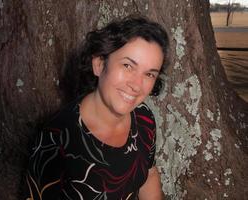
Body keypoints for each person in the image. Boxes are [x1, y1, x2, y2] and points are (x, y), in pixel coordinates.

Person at [26, 15, 169, 200]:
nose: (137, 84)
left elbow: (149, 174)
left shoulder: (144, 118)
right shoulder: (56, 137)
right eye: (127, 66)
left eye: (149, 74)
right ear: (99, 64)